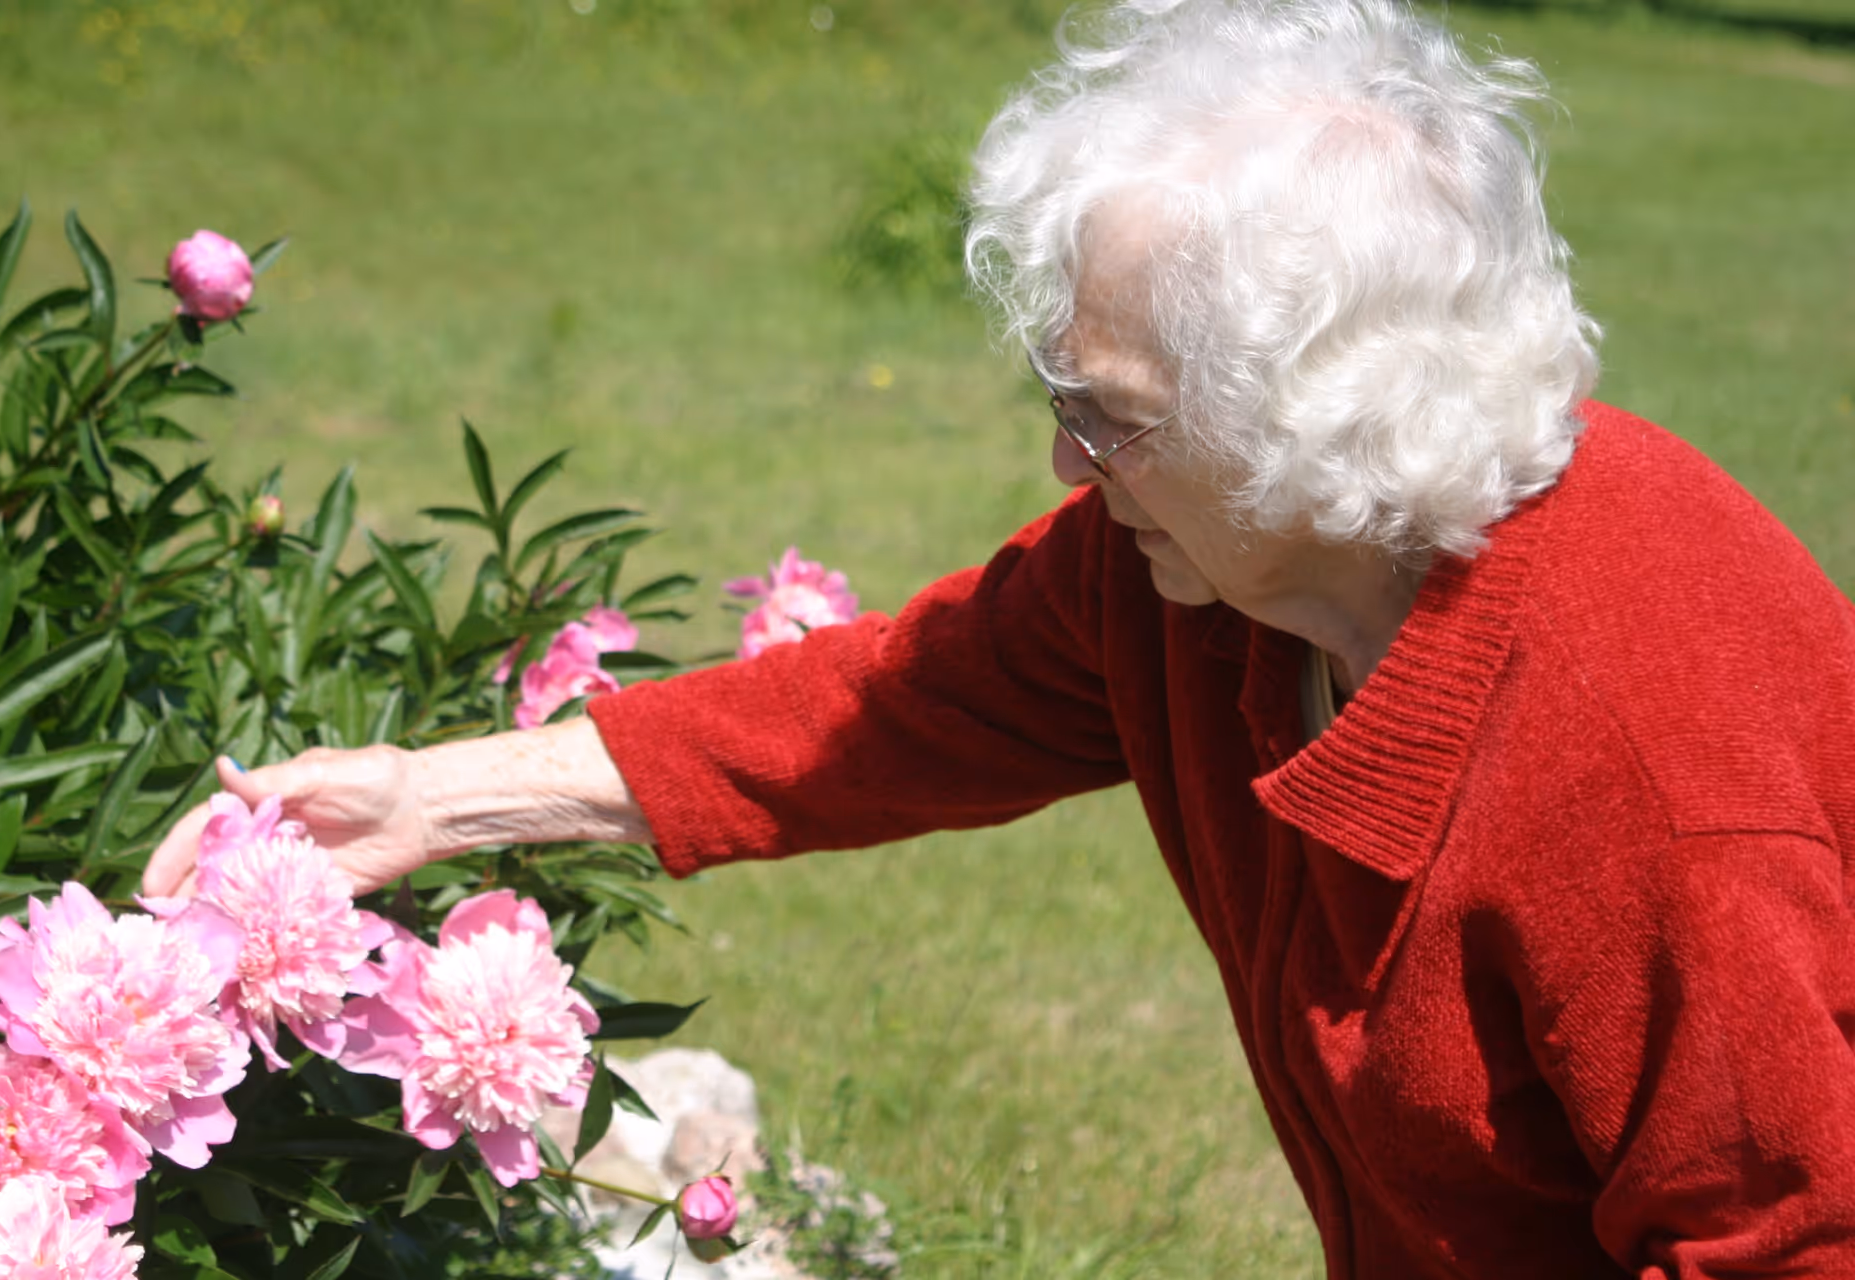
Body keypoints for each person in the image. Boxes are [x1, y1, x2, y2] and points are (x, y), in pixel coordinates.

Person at [146, 0, 1855, 1275]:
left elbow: (1788, 1239)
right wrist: (438, 802)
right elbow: (895, 706)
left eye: (1102, 414)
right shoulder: (1210, 569)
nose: (1061, 464)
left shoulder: (1659, 778)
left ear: (1314, 421)